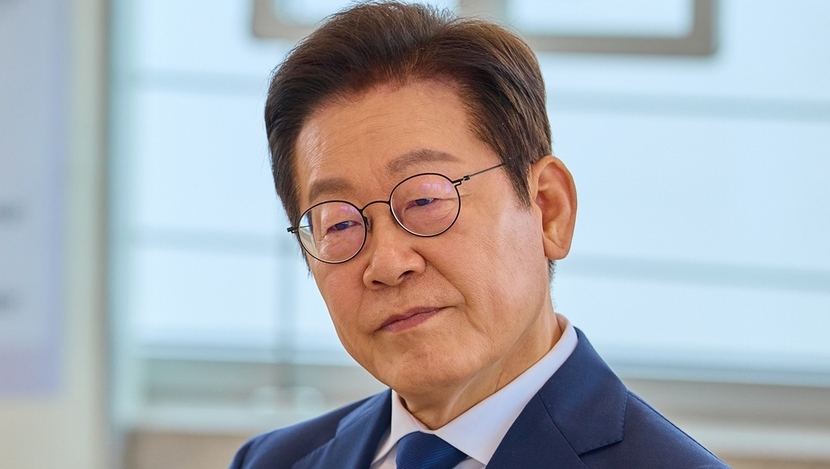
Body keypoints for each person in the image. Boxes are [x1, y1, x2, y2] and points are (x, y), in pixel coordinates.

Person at [230, 2, 728, 468]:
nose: (387, 264)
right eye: (339, 223)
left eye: (424, 200)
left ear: (548, 210)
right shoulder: (270, 461)